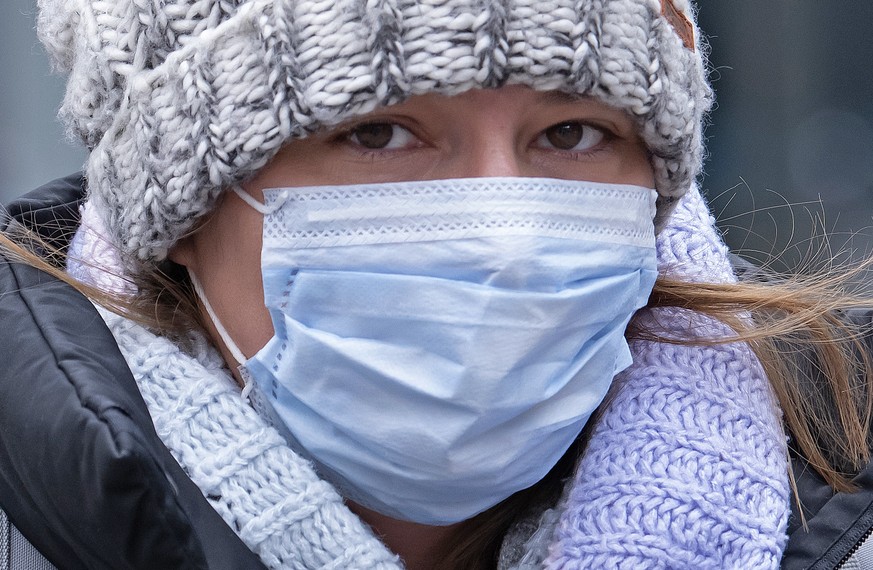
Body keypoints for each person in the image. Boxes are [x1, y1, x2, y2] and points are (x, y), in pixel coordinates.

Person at [2, 0, 873, 568]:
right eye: (380, 133)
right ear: (182, 216)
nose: (502, 230)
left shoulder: (838, 509)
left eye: (571, 133)